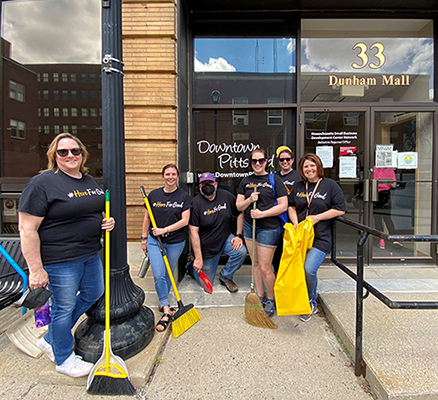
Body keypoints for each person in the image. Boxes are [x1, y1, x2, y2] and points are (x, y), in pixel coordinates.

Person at [18, 133, 115, 378]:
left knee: (94, 292)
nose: (70, 155)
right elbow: (27, 229)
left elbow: (92, 211)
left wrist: (106, 221)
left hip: (90, 252)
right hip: (60, 259)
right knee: (63, 308)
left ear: (82, 154)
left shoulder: (89, 180)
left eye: (75, 151)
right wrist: (36, 269)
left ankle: (51, 337)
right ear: (54, 156)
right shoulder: (43, 183)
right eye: (63, 152)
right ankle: (63, 358)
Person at [288, 153, 347, 322]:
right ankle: (299, 298)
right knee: (297, 271)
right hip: (301, 236)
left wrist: (317, 217)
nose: (309, 169)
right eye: (306, 166)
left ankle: (310, 302)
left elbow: (340, 209)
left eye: (312, 165)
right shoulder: (298, 186)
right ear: (302, 169)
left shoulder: (330, 185)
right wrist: (295, 223)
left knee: (309, 269)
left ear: (318, 167)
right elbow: (291, 206)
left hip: (320, 238)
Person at [236, 148, 288, 317]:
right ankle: (259, 295)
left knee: (266, 268)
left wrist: (263, 213)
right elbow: (239, 206)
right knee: (256, 264)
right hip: (250, 226)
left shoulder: (275, 179)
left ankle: (271, 299)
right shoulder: (245, 181)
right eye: (254, 161)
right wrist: (250, 200)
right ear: (250, 162)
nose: (257, 164)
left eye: (261, 160)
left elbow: (283, 205)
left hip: (268, 227)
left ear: (266, 161)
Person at [141, 164, 192, 332]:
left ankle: (163, 299)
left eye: (173, 174)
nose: (170, 177)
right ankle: (165, 309)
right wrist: (143, 239)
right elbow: (147, 217)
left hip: (175, 241)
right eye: (167, 174)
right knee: (159, 274)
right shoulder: (154, 195)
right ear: (163, 176)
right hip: (155, 241)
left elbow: (185, 221)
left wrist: (165, 230)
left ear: (177, 176)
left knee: (168, 273)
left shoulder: (184, 196)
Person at [187, 172, 246, 293]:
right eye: (204, 183)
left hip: (225, 239)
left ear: (216, 184)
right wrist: (198, 258)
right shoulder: (196, 203)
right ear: (199, 186)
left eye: (210, 183)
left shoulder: (226, 196)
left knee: (241, 251)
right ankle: (190, 266)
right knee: (205, 282)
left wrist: (239, 235)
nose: (207, 186)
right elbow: (193, 232)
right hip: (207, 247)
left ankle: (226, 277)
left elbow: (240, 212)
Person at [272, 146, 301, 274]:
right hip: (277, 217)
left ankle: (290, 274)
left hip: (293, 215)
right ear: (278, 161)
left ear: (292, 160)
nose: (285, 162)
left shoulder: (299, 176)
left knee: (290, 247)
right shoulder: (274, 176)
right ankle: (278, 271)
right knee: (277, 247)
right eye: (282, 159)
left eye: (287, 159)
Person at [373, 166, 397, 249]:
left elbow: (394, 185)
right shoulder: (373, 169)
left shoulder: (389, 170)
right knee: (377, 218)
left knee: (387, 217)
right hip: (375, 193)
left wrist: (389, 182)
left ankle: (394, 238)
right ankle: (381, 239)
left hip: (385, 194)